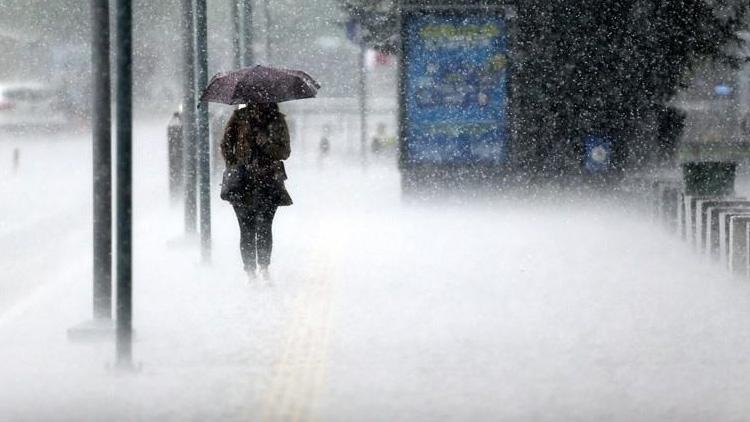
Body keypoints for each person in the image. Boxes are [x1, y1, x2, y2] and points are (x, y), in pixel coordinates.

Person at [221, 103, 292, 282]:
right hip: (242, 182)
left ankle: (263, 267)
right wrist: (235, 165)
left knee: (265, 226)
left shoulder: (277, 120)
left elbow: (285, 152)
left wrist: (267, 144)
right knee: (246, 228)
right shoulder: (239, 118)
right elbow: (225, 145)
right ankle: (250, 271)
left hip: (268, 181)